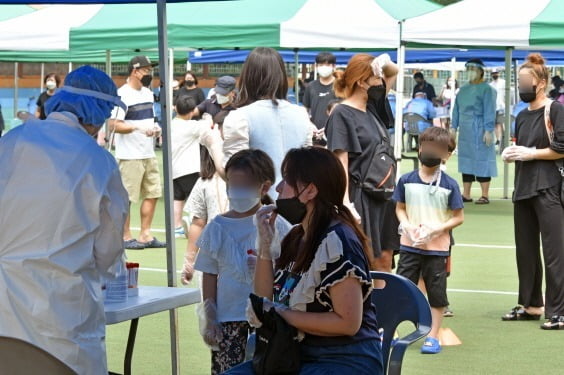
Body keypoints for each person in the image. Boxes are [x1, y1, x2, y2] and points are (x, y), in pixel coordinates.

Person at [0, 66, 129, 375]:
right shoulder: (98, 161)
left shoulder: (11, 141)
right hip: (60, 317)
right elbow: (109, 252)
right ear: (96, 112)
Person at [225, 147, 383, 375]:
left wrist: (280, 313)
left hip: (345, 360)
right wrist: (265, 247)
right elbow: (265, 298)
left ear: (309, 191)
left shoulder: (338, 240)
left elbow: (348, 323)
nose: (279, 188)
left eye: (287, 180)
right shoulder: (296, 236)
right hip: (293, 356)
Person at [194, 149, 291, 374]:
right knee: (228, 370)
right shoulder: (217, 227)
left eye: (243, 185)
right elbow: (209, 272)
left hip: (268, 318)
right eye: (232, 184)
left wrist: (268, 268)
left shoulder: (277, 224)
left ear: (264, 187)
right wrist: (210, 315)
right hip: (228, 319)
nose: (235, 191)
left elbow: (289, 269)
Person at [501, 53, 564, 330]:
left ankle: (559, 311)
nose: (521, 85)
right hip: (523, 187)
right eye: (519, 80)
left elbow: (560, 147)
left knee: (554, 252)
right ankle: (531, 305)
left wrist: (531, 153)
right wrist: (513, 153)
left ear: (540, 83)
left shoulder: (555, 109)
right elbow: (522, 146)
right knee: (525, 251)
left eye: (526, 80)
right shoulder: (521, 115)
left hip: (549, 187)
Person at [200, 47, 313, 197]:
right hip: (298, 206)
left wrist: (213, 144)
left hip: (258, 209)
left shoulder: (240, 117)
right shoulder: (301, 114)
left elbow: (233, 175)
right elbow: (309, 167)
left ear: (248, 76)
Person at [326, 53, 400, 273]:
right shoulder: (342, 113)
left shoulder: (373, 107)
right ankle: (366, 306)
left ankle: (385, 305)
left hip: (384, 194)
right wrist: (345, 202)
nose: (381, 83)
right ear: (361, 81)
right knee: (367, 260)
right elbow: (341, 160)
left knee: (385, 258)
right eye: (376, 78)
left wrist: (382, 62)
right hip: (360, 196)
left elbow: (394, 71)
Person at [393, 127, 464, 354]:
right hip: (409, 245)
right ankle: (394, 332)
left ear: (447, 154)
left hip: (437, 249)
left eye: (438, 148)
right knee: (402, 288)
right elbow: (400, 208)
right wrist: (407, 225)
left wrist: (436, 229)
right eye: (427, 145)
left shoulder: (449, 185)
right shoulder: (406, 180)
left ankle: (432, 336)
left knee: (436, 293)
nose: (431, 151)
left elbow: (458, 217)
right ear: (420, 147)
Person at [108, 55, 166, 250]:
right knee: (127, 198)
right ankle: (125, 236)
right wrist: (136, 129)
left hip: (148, 152)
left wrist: (155, 128)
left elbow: (150, 119)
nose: (150, 74)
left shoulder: (148, 94)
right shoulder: (122, 95)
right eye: (146, 70)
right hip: (129, 155)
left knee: (153, 192)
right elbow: (114, 124)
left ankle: (145, 234)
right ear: (135, 71)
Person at [181, 110, 231, 285]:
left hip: (243, 258)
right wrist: (189, 261)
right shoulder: (206, 182)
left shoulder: (249, 177)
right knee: (209, 305)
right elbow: (198, 222)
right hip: (212, 256)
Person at [451, 58, 497, 205]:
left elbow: (489, 110)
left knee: (482, 159)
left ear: (480, 72)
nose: (470, 72)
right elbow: (456, 109)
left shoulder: (487, 90)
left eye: (473, 69)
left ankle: (484, 195)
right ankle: (466, 193)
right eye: (468, 69)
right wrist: (453, 127)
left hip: (480, 128)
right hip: (465, 129)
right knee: (466, 159)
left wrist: (488, 130)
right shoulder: (462, 90)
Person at [171, 96, 205, 238]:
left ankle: (177, 227)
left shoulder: (171, 124)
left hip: (173, 170)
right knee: (197, 199)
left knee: (177, 199)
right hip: (189, 170)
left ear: (176, 109)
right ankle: (194, 224)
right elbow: (207, 125)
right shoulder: (193, 126)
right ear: (192, 112)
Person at [303, 52, 338, 129]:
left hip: (335, 131)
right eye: (321, 65)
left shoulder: (340, 86)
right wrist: (310, 125)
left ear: (334, 66)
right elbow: (305, 110)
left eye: (328, 65)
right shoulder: (311, 86)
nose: (324, 67)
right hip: (315, 132)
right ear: (316, 66)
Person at [490, 68, 513, 147]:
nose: (495, 75)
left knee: (503, 123)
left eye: (496, 73)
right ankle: (499, 139)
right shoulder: (491, 85)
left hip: (502, 106)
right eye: (493, 73)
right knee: (496, 124)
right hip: (494, 107)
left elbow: (509, 93)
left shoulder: (503, 82)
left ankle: (505, 138)